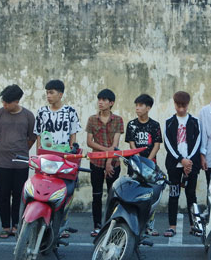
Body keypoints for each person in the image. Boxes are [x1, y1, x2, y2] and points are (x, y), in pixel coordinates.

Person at [0, 84, 35, 238]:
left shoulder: (28, 116)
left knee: (19, 195)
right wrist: (2, 149)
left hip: (21, 163)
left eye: (8, 102)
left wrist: (22, 150)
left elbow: (32, 137)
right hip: (2, 162)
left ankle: (16, 224)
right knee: (3, 194)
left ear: (17, 101)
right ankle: (5, 226)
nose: (5, 105)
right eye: (3, 101)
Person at [163, 91, 202, 237]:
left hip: (191, 164)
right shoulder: (169, 122)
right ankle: (172, 226)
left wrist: (188, 161)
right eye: (178, 106)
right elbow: (168, 144)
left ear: (188, 105)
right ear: (174, 104)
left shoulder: (195, 122)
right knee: (174, 194)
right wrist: (181, 160)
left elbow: (198, 142)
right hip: (174, 165)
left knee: (191, 195)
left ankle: (194, 225)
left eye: (184, 106)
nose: (181, 109)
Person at [85, 88, 124, 237]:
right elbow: (89, 142)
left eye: (104, 100)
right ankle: (97, 225)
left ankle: (110, 224)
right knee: (96, 194)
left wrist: (109, 159)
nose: (100, 102)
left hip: (113, 163)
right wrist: (107, 151)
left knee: (113, 196)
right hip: (96, 162)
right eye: (99, 99)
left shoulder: (118, 120)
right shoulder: (92, 119)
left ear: (111, 103)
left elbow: (115, 143)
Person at [126, 93, 163, 236]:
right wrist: (139, 161)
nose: (137, 108)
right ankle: (134, 224)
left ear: (148, 108)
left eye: (140, 105)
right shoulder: (131, 125)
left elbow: (157, 145)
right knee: (135, 194)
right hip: (135, 166)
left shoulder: (154, 125)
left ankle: (150, 225)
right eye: (136, 105)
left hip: (150, 168)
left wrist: (147, 162)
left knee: (151, 196)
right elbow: (132, 144)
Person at [34, 79, 81, 150]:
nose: (48, 96)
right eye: (47, 93)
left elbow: (73, 135)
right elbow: (39, 136)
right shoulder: (42, 112)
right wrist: (39, 154)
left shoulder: (70, 111)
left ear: (60, 95)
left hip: (64, 153)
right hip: (46, 153)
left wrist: (71, 153)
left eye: (51, 93)